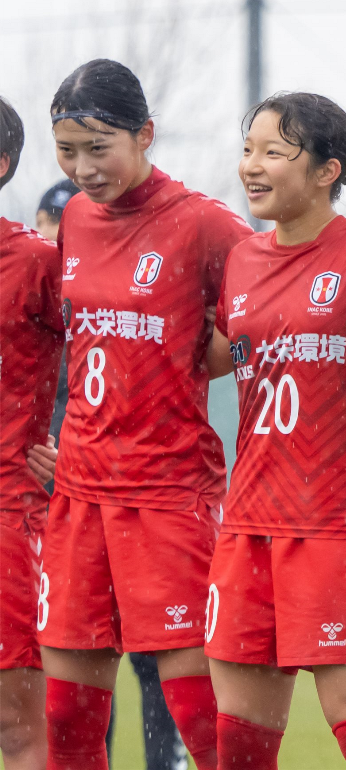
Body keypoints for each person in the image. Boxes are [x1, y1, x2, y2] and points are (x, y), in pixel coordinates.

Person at [32, 59, 346, 770]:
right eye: (67, 151)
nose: (82, 169)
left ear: (145, 135)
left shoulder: (205, 225)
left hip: (169, 494)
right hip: (79, 496)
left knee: (205, 720)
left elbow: (274, 302)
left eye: (98, 148)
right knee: (67, 716)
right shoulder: (75, 218)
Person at [204, 92, 346, 770]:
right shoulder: (242, 260)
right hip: (247, 525)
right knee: (239, 744)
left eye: (274, 152)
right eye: (248, 150)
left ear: (328, 171)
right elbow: (203, 355)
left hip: (339, 524)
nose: (252, 166)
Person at [33, 175, 189, 770]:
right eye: (49, 227)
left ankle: (165, 763)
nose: (57, 241)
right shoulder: (29, 311)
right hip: (56, 517)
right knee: (81, 670)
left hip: (135, 504)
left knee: (155, 659)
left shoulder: (125, 315)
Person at [0, 98, 63, 770]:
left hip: (8, 527)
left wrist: (88, 450)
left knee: (21, 732)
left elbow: (130, 349)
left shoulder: (36, 264)